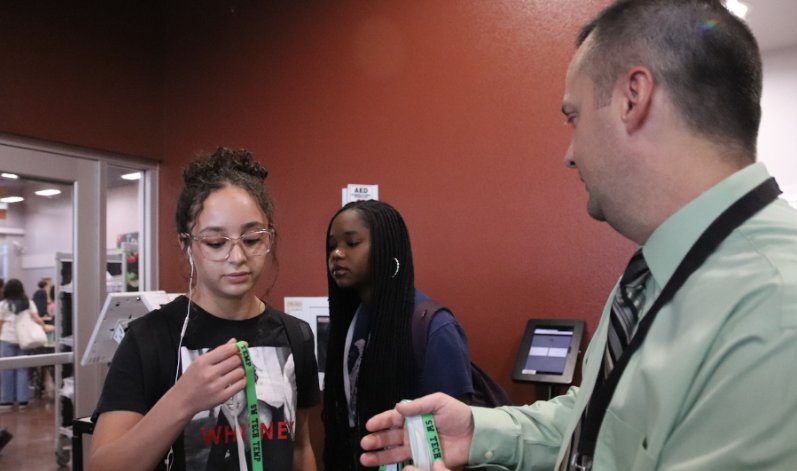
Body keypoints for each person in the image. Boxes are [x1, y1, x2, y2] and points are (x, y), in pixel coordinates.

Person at [359, 1, 797, 470]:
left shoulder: (775, 310)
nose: (569, 154)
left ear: (633, 97)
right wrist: (480, 429)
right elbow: (598, 417)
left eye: (574, 116)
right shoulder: (651, 276)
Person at [89, 148, 321, 471]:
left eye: (252, 239)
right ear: (187, 245)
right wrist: (183, 400)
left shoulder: (296, 336)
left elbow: (299, 448)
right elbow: (102, 466)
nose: (237, 256)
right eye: (216, 243)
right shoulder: (149, 340)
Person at [324, 200, 473, 470]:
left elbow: (454, 445)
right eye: (332, 245)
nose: (337, 253)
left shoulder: (434, 328)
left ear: (387, 250)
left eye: (352, 243)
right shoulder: (352, 318)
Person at [0, 278, 54, 410]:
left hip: (7, 338)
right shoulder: (28, 303)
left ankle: (6, 401)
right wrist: (44, 327)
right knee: (22, 369)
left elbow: (1, 323)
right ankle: (23, 400)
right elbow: (36, 318)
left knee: (6, 369)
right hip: (24, 340)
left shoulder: (4, 304)